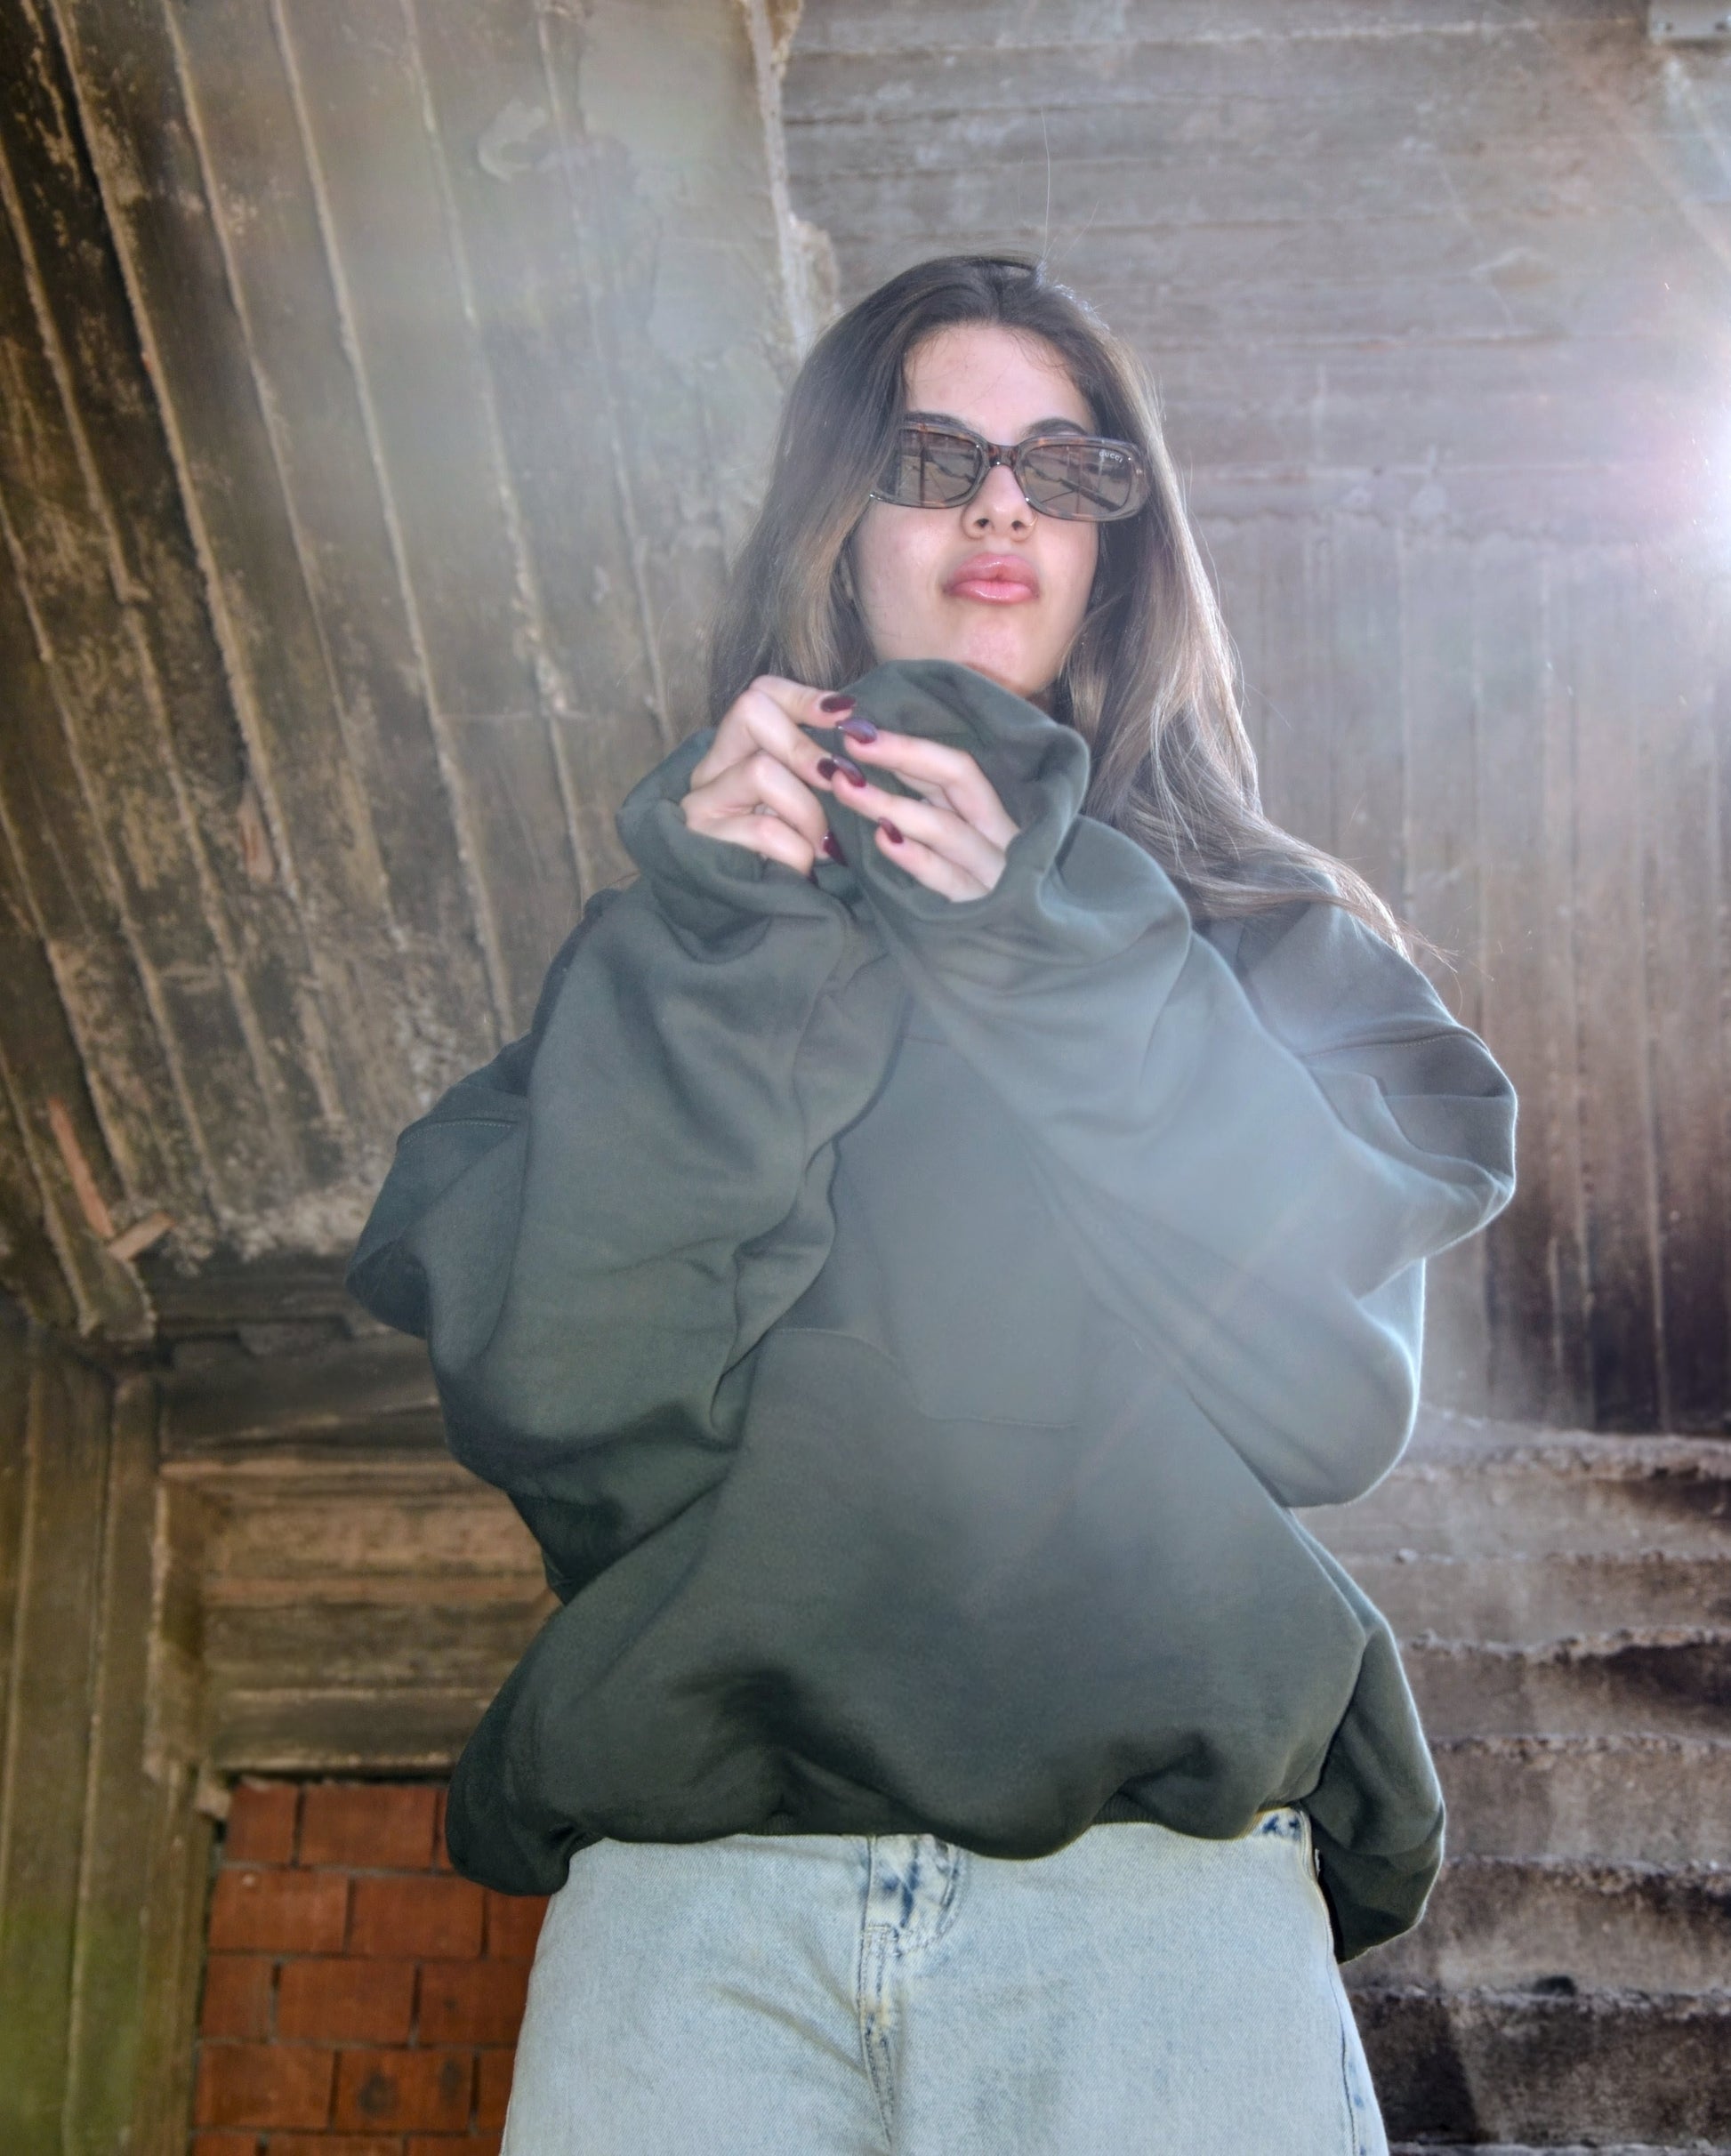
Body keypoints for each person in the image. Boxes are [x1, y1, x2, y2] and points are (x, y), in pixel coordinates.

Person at [348, 255, 1517, 2154]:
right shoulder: (675, 944)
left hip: (1153, 1900)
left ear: (1118, 551)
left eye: (1064, 469)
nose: (1000, 510)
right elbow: (561, 1387)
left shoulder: (1272, 949)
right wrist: (721, 955)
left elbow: (1323, 1403)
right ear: (832, 520)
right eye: (932, 458)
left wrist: (1057, 956)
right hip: (698, 1902)